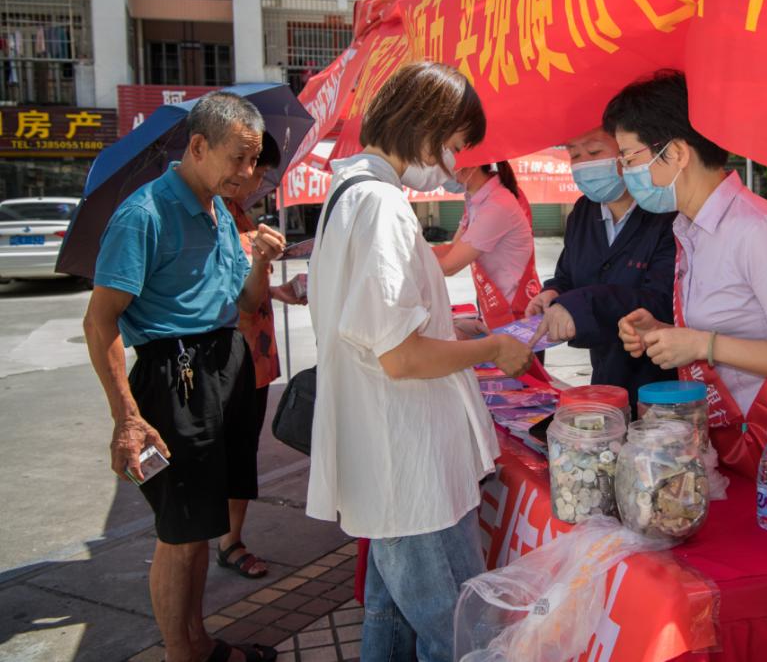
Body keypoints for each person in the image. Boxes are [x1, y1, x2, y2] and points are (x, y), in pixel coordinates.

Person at [306, 61, 534, 662]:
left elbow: (375, 327)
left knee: (391, 615)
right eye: (455, 145)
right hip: (411, 467)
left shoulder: (348, 193)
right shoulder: (380, 204)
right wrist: (490, 347)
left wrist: (444, 326)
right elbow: (400, 357)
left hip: (390, 460)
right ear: (424, 125)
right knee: (460, 634)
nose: (455, 163)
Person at [84, 91, 285, 662]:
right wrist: (127, 416)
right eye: (239, 159)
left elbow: (243, 302)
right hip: (176, 381)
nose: (248, 174)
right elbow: (100, 322)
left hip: (225, 367)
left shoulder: (220, 210)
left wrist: (260, 261)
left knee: (203, 523)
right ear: (198, 147)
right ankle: (182, 653)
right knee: (178, 533)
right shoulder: (143, 215)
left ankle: (198, 643)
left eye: (254, 161)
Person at [609, 70, 767, 477]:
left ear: (678, 153)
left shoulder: (757, 231)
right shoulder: (691, 228)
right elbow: (732, 324)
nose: (624, 172)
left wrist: (701, 344)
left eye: (630, 157)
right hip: (732, 439)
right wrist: (664, 331)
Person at [524, 127, 677, 408]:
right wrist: (553, 293)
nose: (584, 164)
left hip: (663, 387)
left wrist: (578, 305)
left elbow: (662, 301)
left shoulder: (666, 213)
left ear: (626, 151)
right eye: (574, 155)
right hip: (605, 378)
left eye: (594, 152)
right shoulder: (583, 211)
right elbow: (568, 274)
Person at [219, 132, 306, 580]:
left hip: (256, 357)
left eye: (260, 168)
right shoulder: (210, 213)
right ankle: (228, 541)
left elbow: (247, 289)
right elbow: (238, 300)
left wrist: (278, 290)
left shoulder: (237, 212)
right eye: (249, 164)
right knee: (230, 454)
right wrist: (261, 269)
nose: (256, 178)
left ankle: (230, 535)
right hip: (229, 360)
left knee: (243, 450)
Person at [433, 160, 540, 329]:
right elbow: (454, 249)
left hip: (516, 314)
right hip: (496, 307)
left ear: (472, 164)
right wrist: (411, 253)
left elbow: (449, 266)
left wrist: (402, 262)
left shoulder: (497, 205)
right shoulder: (475, 199)